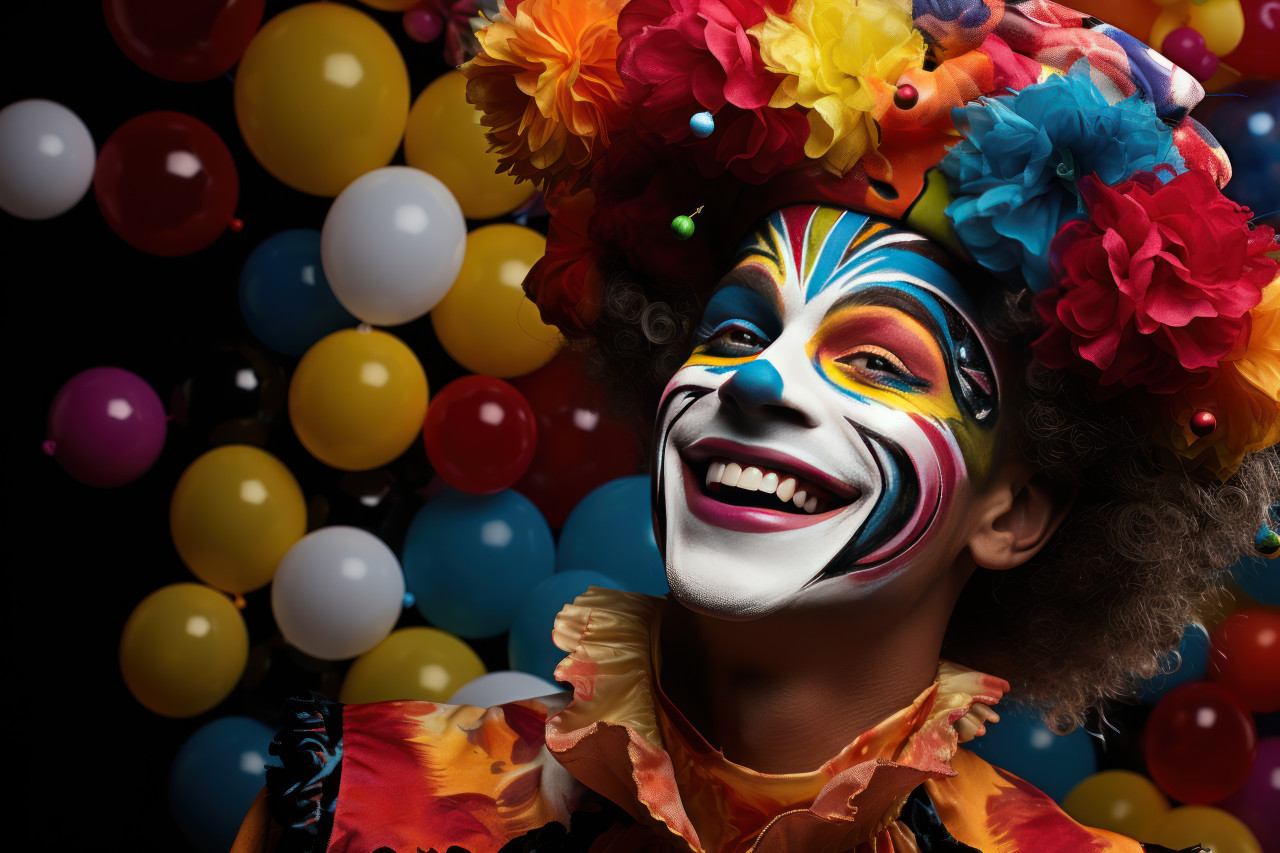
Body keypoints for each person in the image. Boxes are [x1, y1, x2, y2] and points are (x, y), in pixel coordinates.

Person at [233, 0, 1279, 850]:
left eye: (872, 360)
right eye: (735, 331)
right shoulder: (355, 809)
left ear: (1011, 513)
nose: (756, 381)